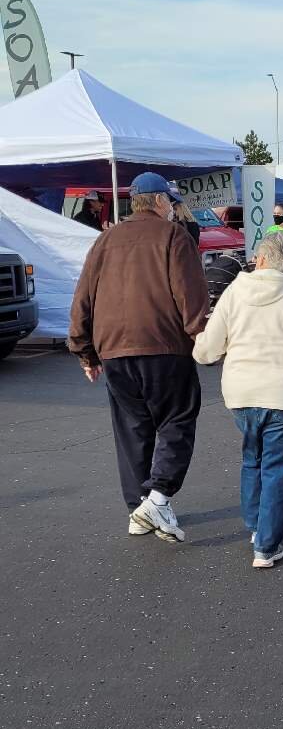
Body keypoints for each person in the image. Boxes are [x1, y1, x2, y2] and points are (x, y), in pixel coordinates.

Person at [68, 172, 209, 543]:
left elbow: (82, 296)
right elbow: (190, 294)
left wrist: (85, 352)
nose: (174, 209)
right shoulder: (173, 236)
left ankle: (138, 508)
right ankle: (158, 496)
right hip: (165, 346)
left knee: (133, 429)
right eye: (172, 202)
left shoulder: (106, 239)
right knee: (177, 420)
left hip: (114, 349)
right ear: (160, 202)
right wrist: (205, 340)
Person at [193, 233, 283, 568]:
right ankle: (267, 544)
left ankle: (255, 525)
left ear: (260, 258)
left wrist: (200, 349)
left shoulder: (235, 293)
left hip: (242, 394)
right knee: (279, 468)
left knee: (253, 459)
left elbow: (209, 348)